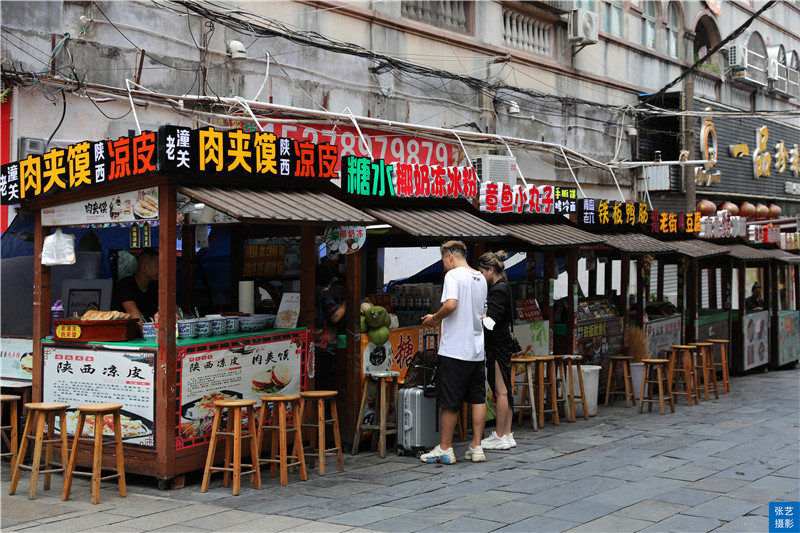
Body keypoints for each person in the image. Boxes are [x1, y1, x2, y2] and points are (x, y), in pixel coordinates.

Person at [420, 241, 488, 464]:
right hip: (476, 350)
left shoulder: (453, 276)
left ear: (449, 256)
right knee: (478, 398)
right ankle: (477, 446)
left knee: (449, 401)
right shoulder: (480, 278)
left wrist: (434, 319)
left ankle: (445, 448)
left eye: (442, 260)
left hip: (455, 350)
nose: (444, 265)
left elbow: (450, 305)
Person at [476, 251, 517, 451]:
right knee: (505, 390)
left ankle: (500, 435)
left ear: (490, 270)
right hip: (503, 342)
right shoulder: (505, 286)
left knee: (500, 391)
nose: (481, 276)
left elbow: (491, 322)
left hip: (497, 344)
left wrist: (478, 316)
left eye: (482, 272)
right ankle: (507, 433)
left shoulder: (498, 290)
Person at [315, 264, 345, 391]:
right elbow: (334, 316)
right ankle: (325, 411)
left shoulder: (307, 290)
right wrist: (345, 305)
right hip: (323, 345)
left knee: (315, 384)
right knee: (325, 387)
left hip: (310, 344)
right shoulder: (324, 292)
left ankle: (317, 411)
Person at [112, 248, 159, 331]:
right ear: (144, 267)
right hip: (125, 335)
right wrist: (149, 336)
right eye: (157, 265)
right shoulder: (125, 285)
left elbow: (170, 307)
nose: (161, 269)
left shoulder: (156, 286)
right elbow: (132, 310)